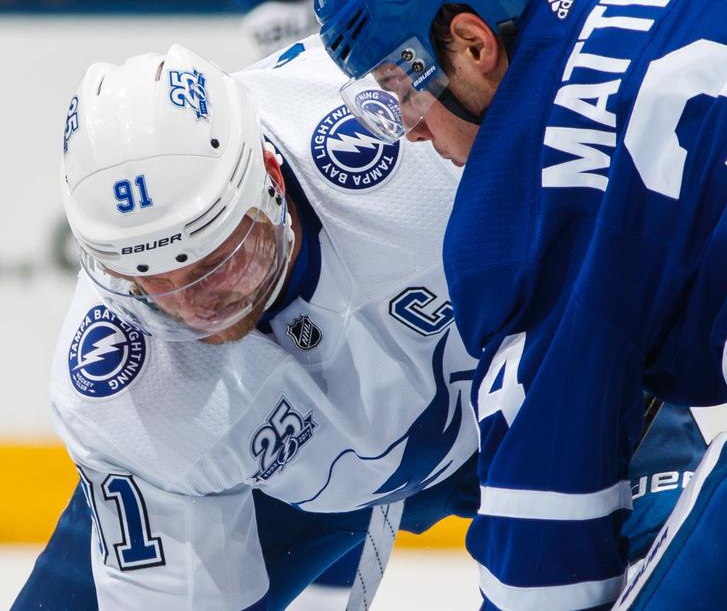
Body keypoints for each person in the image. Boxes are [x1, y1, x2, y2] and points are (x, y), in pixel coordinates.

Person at [315, 0, 727, 610]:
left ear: (474, 43)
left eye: (401, 89)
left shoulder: (516, 199)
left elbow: (544, 563)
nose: (412, 129)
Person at [16, 39, 482, 610]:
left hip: (508, 402)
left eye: (212, 262)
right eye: (152, 280)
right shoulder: (119, 380)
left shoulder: (414, 136)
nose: (195, 307)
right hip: (274, 485)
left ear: (270, 176)